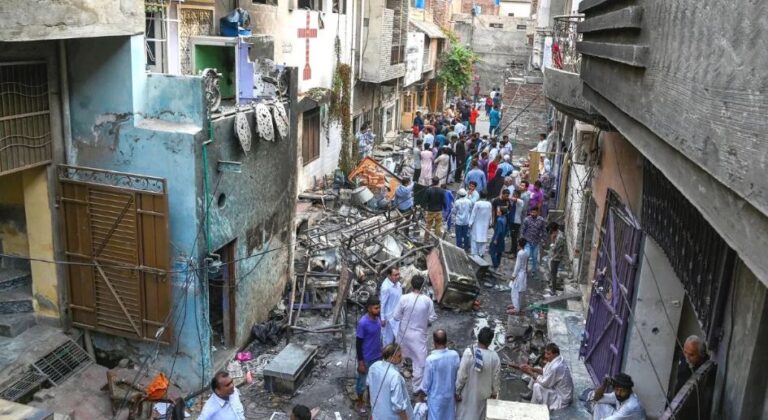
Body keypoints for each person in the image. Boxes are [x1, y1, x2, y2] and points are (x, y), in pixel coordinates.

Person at [395, 276, 437, 391]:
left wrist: (406, 317)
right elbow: (432, 317)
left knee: (399, 357)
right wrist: (425, 321)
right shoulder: (427, 300)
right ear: (423, 287)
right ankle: (417, 388)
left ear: (412, 285)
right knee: (419, 363)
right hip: (418, 337)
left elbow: (396, 316)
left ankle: (396, 383)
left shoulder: (404, 298)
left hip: (403, 335)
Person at [456, 327, 500, 420]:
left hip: (468, 393)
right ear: (490, 342)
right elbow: (496, 378)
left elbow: (462, 375)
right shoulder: (494, 357)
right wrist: (494, 392)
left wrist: (457, 391)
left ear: (478, 337)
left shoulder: (469, 353)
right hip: (484, 395)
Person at [419, 330, 460, 420]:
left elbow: (426, 383)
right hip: (450, 397)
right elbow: (458, 375)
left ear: (434, 342)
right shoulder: (454, 355)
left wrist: (421, 396)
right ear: (446, 341)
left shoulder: (431, 360)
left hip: (436, 399)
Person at [519, 343, 574, 411]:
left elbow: (544, 383)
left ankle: (533, 406)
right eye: (545, 353)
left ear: (555, 354)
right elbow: (544, 371)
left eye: (548, 354)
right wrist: (531, 368)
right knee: (537, 369)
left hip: (562, 397)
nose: (545, 356)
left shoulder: (556, 366)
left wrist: (530, 372)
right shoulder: (555, 359)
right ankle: (531, 394)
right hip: (556, 387)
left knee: (537, 386)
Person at [367, 344, 414, 420]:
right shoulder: (395, 376)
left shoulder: (374, 366)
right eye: (399, 356)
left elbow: (368, 386)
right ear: (391, 357)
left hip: (377, 414)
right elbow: (398, 406)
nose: (401, 358)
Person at [356, 296, 383, 415]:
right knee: (362, 383)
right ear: (369, 308)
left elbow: (378, 336)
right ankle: (360, 403)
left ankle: (370, 401)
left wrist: (381, 350)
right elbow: (358, 344)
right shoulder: (363, 323)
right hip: (366, 358)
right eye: (376, 308)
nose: (379, 310)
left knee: (373, 381)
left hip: (377, 356)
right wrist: (361, 362)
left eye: (379, 307)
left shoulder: (377, 319)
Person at [379, 267, 403, 345]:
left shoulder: (398, 284)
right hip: (389, 318)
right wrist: (382, 318)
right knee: (388, 340)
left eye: (398, 274)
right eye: (395, 275)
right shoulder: (385, 287)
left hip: (397, 315)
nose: (398, 276)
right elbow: (382, 303)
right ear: (389, 276)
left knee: (398, 339)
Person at [521, 207, 547, 274]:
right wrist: (521, 240)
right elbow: (523, 230)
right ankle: (525, 269)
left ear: (537, 212)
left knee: (534, 257)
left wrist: (544, 240)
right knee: (527, 255)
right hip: (527, 241)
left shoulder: (541, 220)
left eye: (534, 212)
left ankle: (534, 270)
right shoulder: (527, 219)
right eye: (532, 212)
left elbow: (544, 230)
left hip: (536, 242)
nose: (533, 214)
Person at [508, 238, 529, 313]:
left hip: (519, 274)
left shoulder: (520, 253)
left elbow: (517, 266)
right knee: (520, 291)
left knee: (514, 291)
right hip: (523, 274)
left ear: (519, 244)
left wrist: (513, 275)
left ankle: (516, 308)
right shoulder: (526, 252)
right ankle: (517, 305)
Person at [489, 192, 509, 270]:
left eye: (498, 211)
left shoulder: (499, 220)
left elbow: (499, 231)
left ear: (501, 212)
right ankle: (497, 263)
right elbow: (506, 229)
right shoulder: (504, 218)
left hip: (497, 237)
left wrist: (495, 239)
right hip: (502, 237)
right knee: (499, 251)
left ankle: (495, 264)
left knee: (492, 251)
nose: (497, 211)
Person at [547, 223, 566, 293]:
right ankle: (553, 286)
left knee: (553, 274)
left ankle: (553, 290)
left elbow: (554, 248)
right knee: (553, 273)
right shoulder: (560, 234)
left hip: (556, 257)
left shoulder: (559, 237)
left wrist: (552, 241)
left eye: (551, 231)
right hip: (556, 256)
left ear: (553, 230)